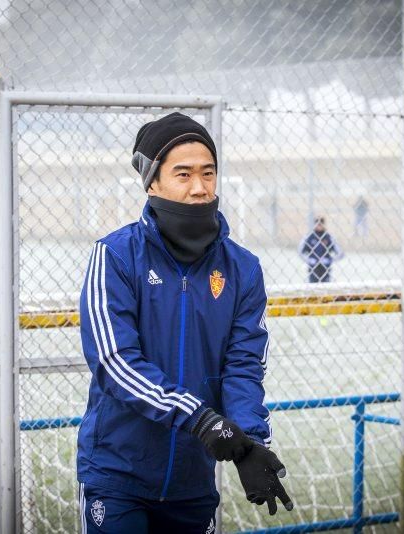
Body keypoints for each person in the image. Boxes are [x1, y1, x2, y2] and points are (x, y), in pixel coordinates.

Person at [77, 112, 293, 533]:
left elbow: (244, 365)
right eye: (183, 174)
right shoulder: (115, 256)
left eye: (208, 173)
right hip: (118, 475)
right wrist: (200, 418)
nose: (199, 187)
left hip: (193, 483)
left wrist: (250, 442)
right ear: (152, 182)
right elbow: (115, 362)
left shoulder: (243, 269)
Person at [299, 216, 344, 283]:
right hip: (313, 267)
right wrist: (309, 260)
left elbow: (340, 253)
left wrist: (330, 260)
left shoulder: (329, 237)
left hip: (325, 267)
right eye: (317, 224)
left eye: (321, 224)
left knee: (325, 287)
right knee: (312, 286)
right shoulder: (309, 237)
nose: (319, 226)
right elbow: (300, 251)